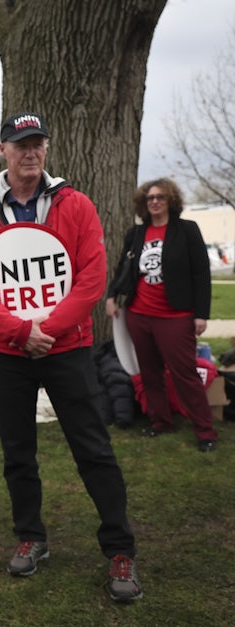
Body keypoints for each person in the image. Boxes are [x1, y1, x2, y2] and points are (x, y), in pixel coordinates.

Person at [0, 112, 142, 602]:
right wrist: (20, 331)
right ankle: (31, 536)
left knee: (93, 448)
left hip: (68, 348)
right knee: (18, 452)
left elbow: (90, 278)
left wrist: (47, 330)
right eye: (21, 145)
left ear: (45, 149)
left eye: (37, 144)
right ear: (4, 150)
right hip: (5, 351)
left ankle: (120, 550)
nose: (30, 152)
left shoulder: (75, 204)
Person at [106, 178, 217, 452]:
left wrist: (201, 314)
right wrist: (111, 296)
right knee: (149, 372)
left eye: (160, 197)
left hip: (175, 315)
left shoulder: (187, 230)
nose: (154, 202)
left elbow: (201, 274)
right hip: (138, 314)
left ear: (171, 201)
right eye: (149, 198)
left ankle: (205, 431)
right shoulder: (136, 233)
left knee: (185, 373)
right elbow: (123, 268)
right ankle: (160, 422)